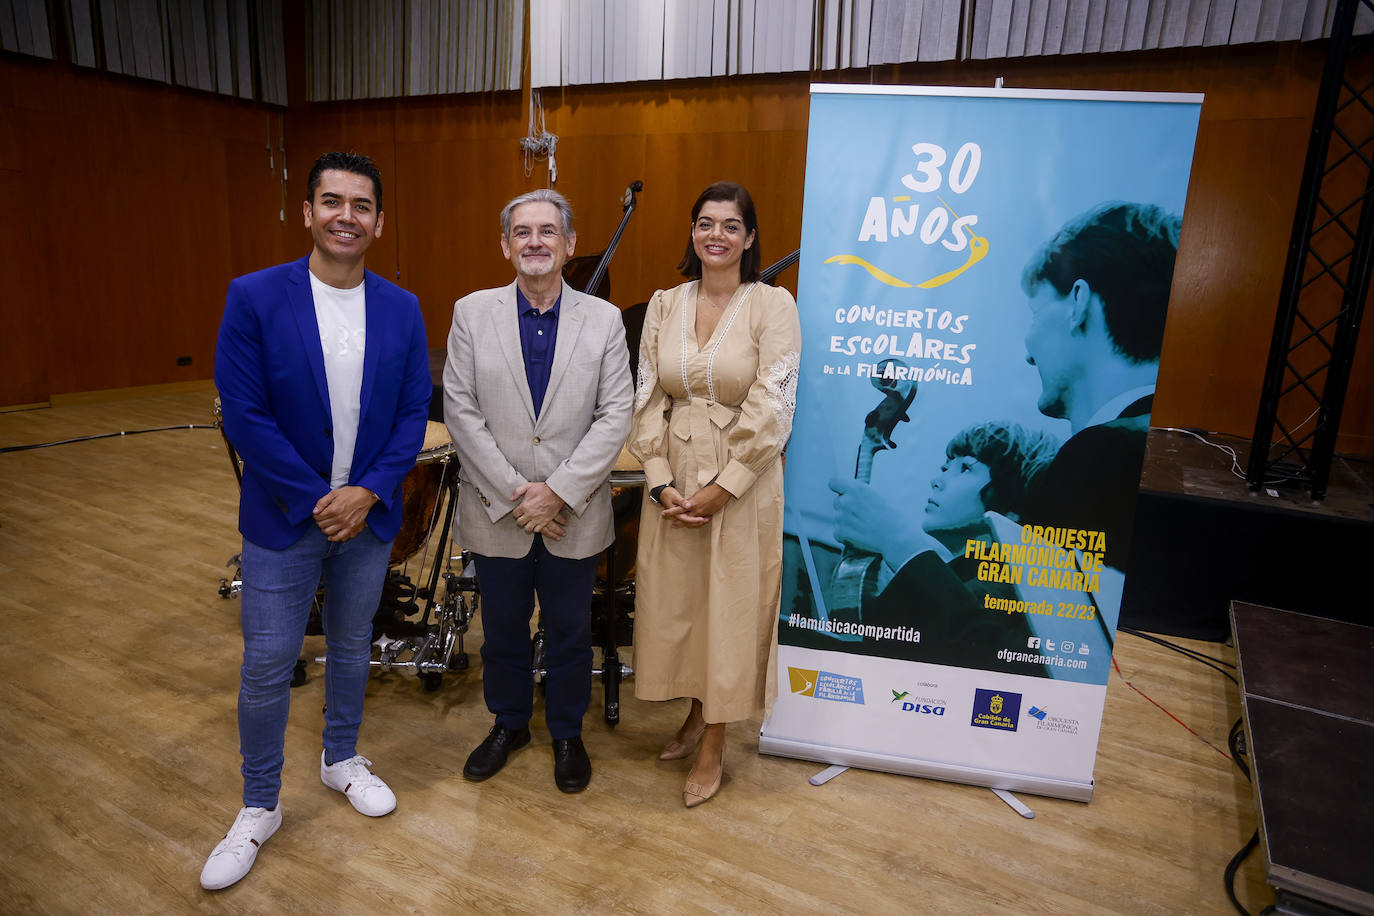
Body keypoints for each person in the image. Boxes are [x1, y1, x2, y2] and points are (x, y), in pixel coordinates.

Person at [204, 152, 431, 890]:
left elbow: (409, 414)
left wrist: (365, 493)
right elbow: (245, 414)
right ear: (306, 212)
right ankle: (259, 805)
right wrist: (316, 498)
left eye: (361, 205)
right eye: (331, 201)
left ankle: (340, 760)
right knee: (268, 664)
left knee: (354, 642)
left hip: (365, 517)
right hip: (283, 516)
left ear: (379, 222)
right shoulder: (255, 297)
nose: (345, 215)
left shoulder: (401, 306)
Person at [442, 189, 633, 794]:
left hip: (572, 513)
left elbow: (616, 414)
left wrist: (558, 492)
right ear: (505, 245)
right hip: (498, 510)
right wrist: (520, 493)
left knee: (572, 628)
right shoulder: (471, 313)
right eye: (522, 232)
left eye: (547, 232)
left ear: (569, 244)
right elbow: (461, 409)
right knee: (500, 627)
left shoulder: (603, 321)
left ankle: (567, 731)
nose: (535, 242)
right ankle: (509, 724)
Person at [628, 181, 802, 808]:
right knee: (684, 601)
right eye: (706, 223)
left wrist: (723, 489)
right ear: (692, 233)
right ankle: (698, 710)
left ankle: (716, 741)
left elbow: (775, 403)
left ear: (750, 238)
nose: (717, 236)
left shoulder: (772, 305)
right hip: (674, 472)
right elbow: (645, 394)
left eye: (731, 225)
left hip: (742, 478)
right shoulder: (664, 302)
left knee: (730, 607)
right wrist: (658, 480)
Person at [1019, 202, 1181, 570]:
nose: (1028, 356)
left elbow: (1044, 616)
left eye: (1035, 315)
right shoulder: (1173, 441)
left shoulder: (1100, 454)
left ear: (1078, 301)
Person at [825, 422, 1058, 669]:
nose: (937, 481)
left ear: (1014, 501)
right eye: (946, 467)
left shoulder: (999, 588)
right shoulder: (960, 578)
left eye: (966, 468)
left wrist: (899, 543)